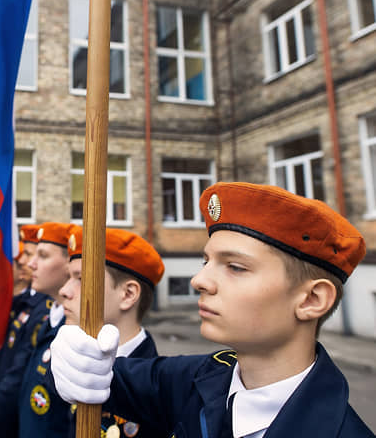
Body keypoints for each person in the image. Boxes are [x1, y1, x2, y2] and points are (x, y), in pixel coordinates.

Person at [51, 182, 375, 438]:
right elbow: (107, 375)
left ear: (311, 300)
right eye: (206, 262)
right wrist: (73, 357)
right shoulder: (194, 380)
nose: (199, 280)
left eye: (234, 267)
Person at [59, 227, 165, 438]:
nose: (64, 290)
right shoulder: (72, 360)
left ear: (128, 294)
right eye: (69, 278)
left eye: (80, 279)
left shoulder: (155, 391)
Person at [0, 224, 50, 438]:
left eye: (30, 254)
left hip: (17, 413)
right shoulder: (21, 302)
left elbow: (19, 373)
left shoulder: (44, 309)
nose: (22, 260)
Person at [8, 223, 74, 437]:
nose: (31, 264)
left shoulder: (75, 329)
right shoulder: (50, 316)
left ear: (68, 265)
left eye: (42, 256)